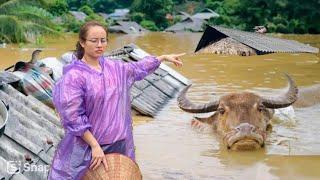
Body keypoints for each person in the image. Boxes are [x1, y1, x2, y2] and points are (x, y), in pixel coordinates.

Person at [48, 21, 184, 179]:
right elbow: (73, 116)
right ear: (82, 43)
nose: (100, 45)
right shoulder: (74, 76)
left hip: (119, 142)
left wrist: (162, 58)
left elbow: (138, 68)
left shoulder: (115, 68)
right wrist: (94, 146)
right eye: (94, 41)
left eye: (103, 40)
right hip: (89, 147)